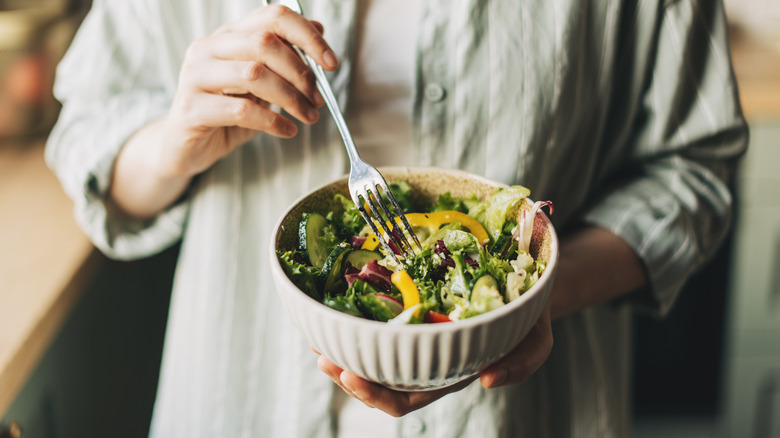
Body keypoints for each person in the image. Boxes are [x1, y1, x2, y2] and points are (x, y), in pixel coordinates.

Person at [46, 0, 747, 436]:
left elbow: (695, 170)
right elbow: (88, 139)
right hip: (239, 395)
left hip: (526, 414)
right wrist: (178, 139)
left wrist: (536, 298)